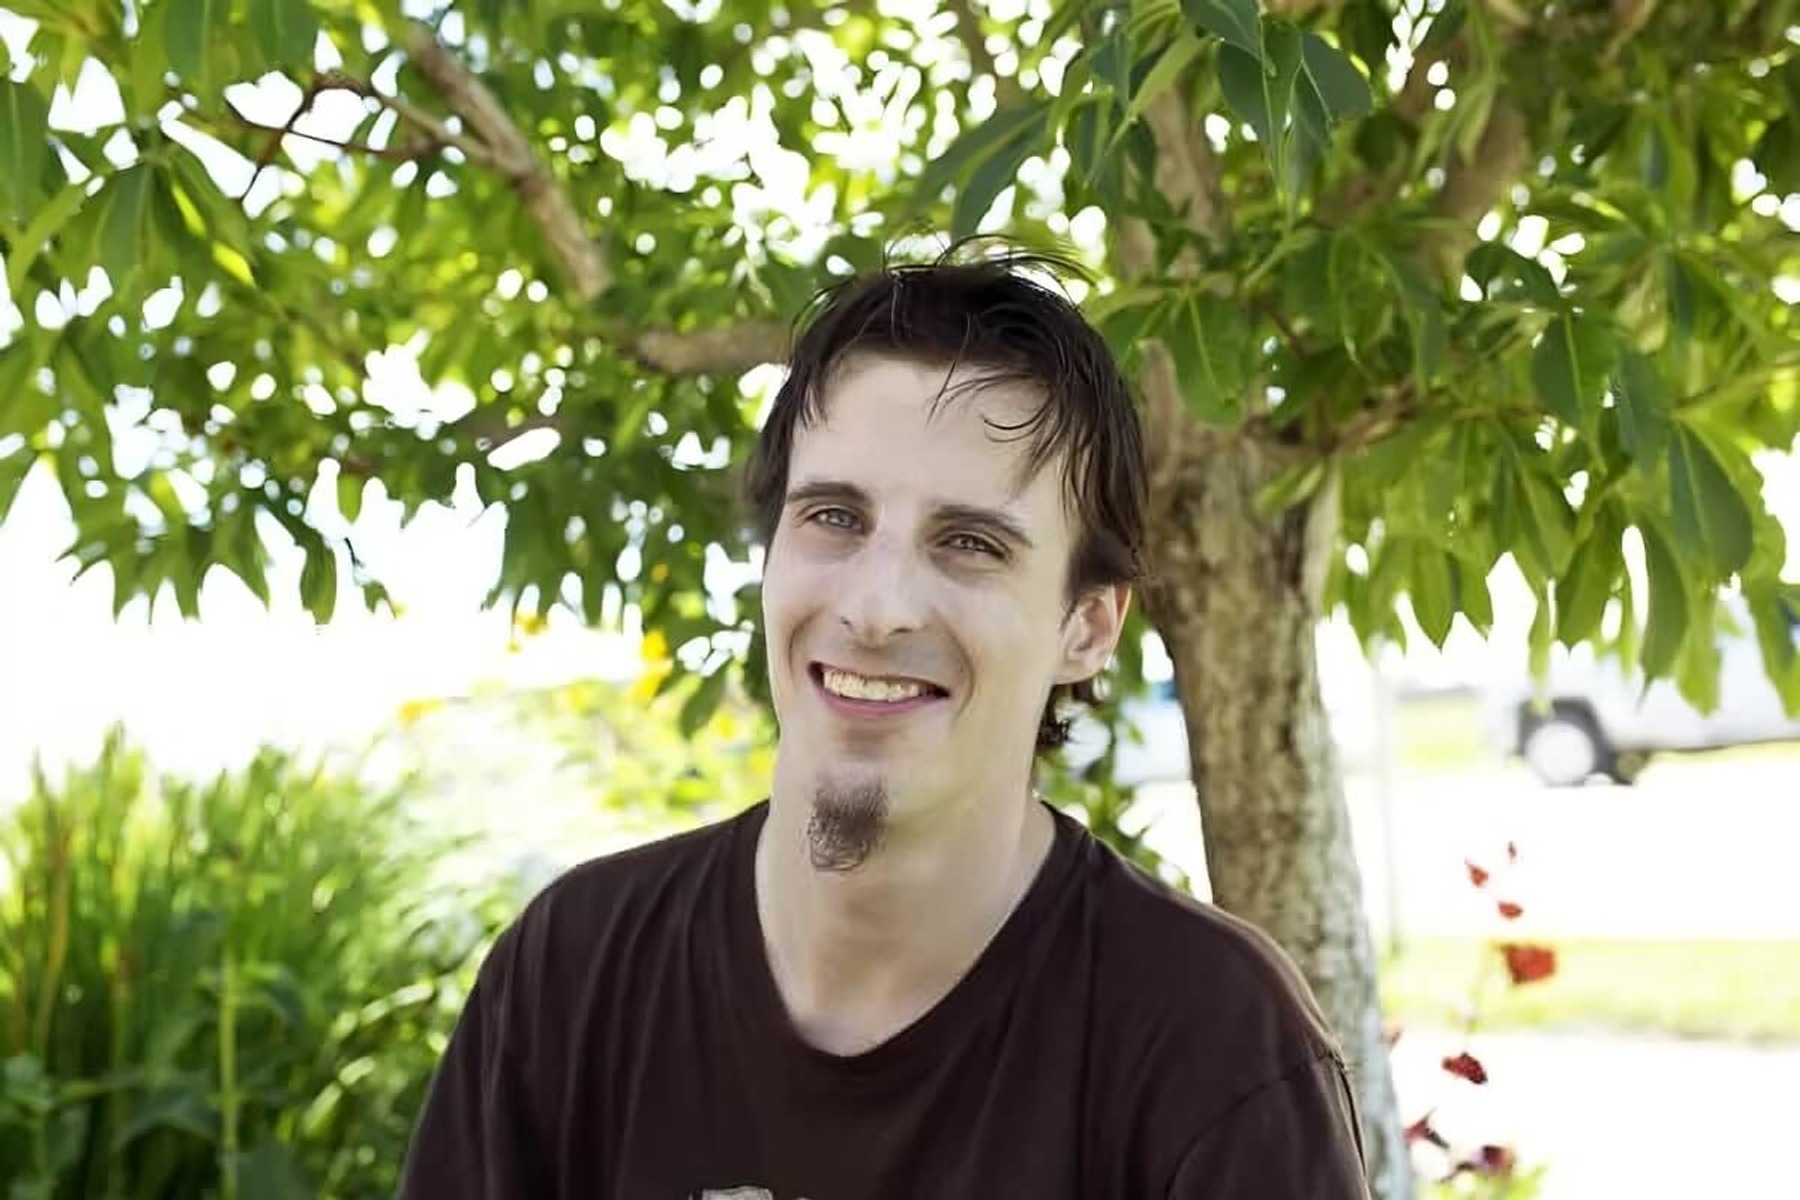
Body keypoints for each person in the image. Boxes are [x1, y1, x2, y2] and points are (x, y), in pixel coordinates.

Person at [398, 241, 1370, 1199]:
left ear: (1086, 626)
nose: (877, 606)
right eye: (834, 517)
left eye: (971, 543)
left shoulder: (1214, 1045)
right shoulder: (575, 975)